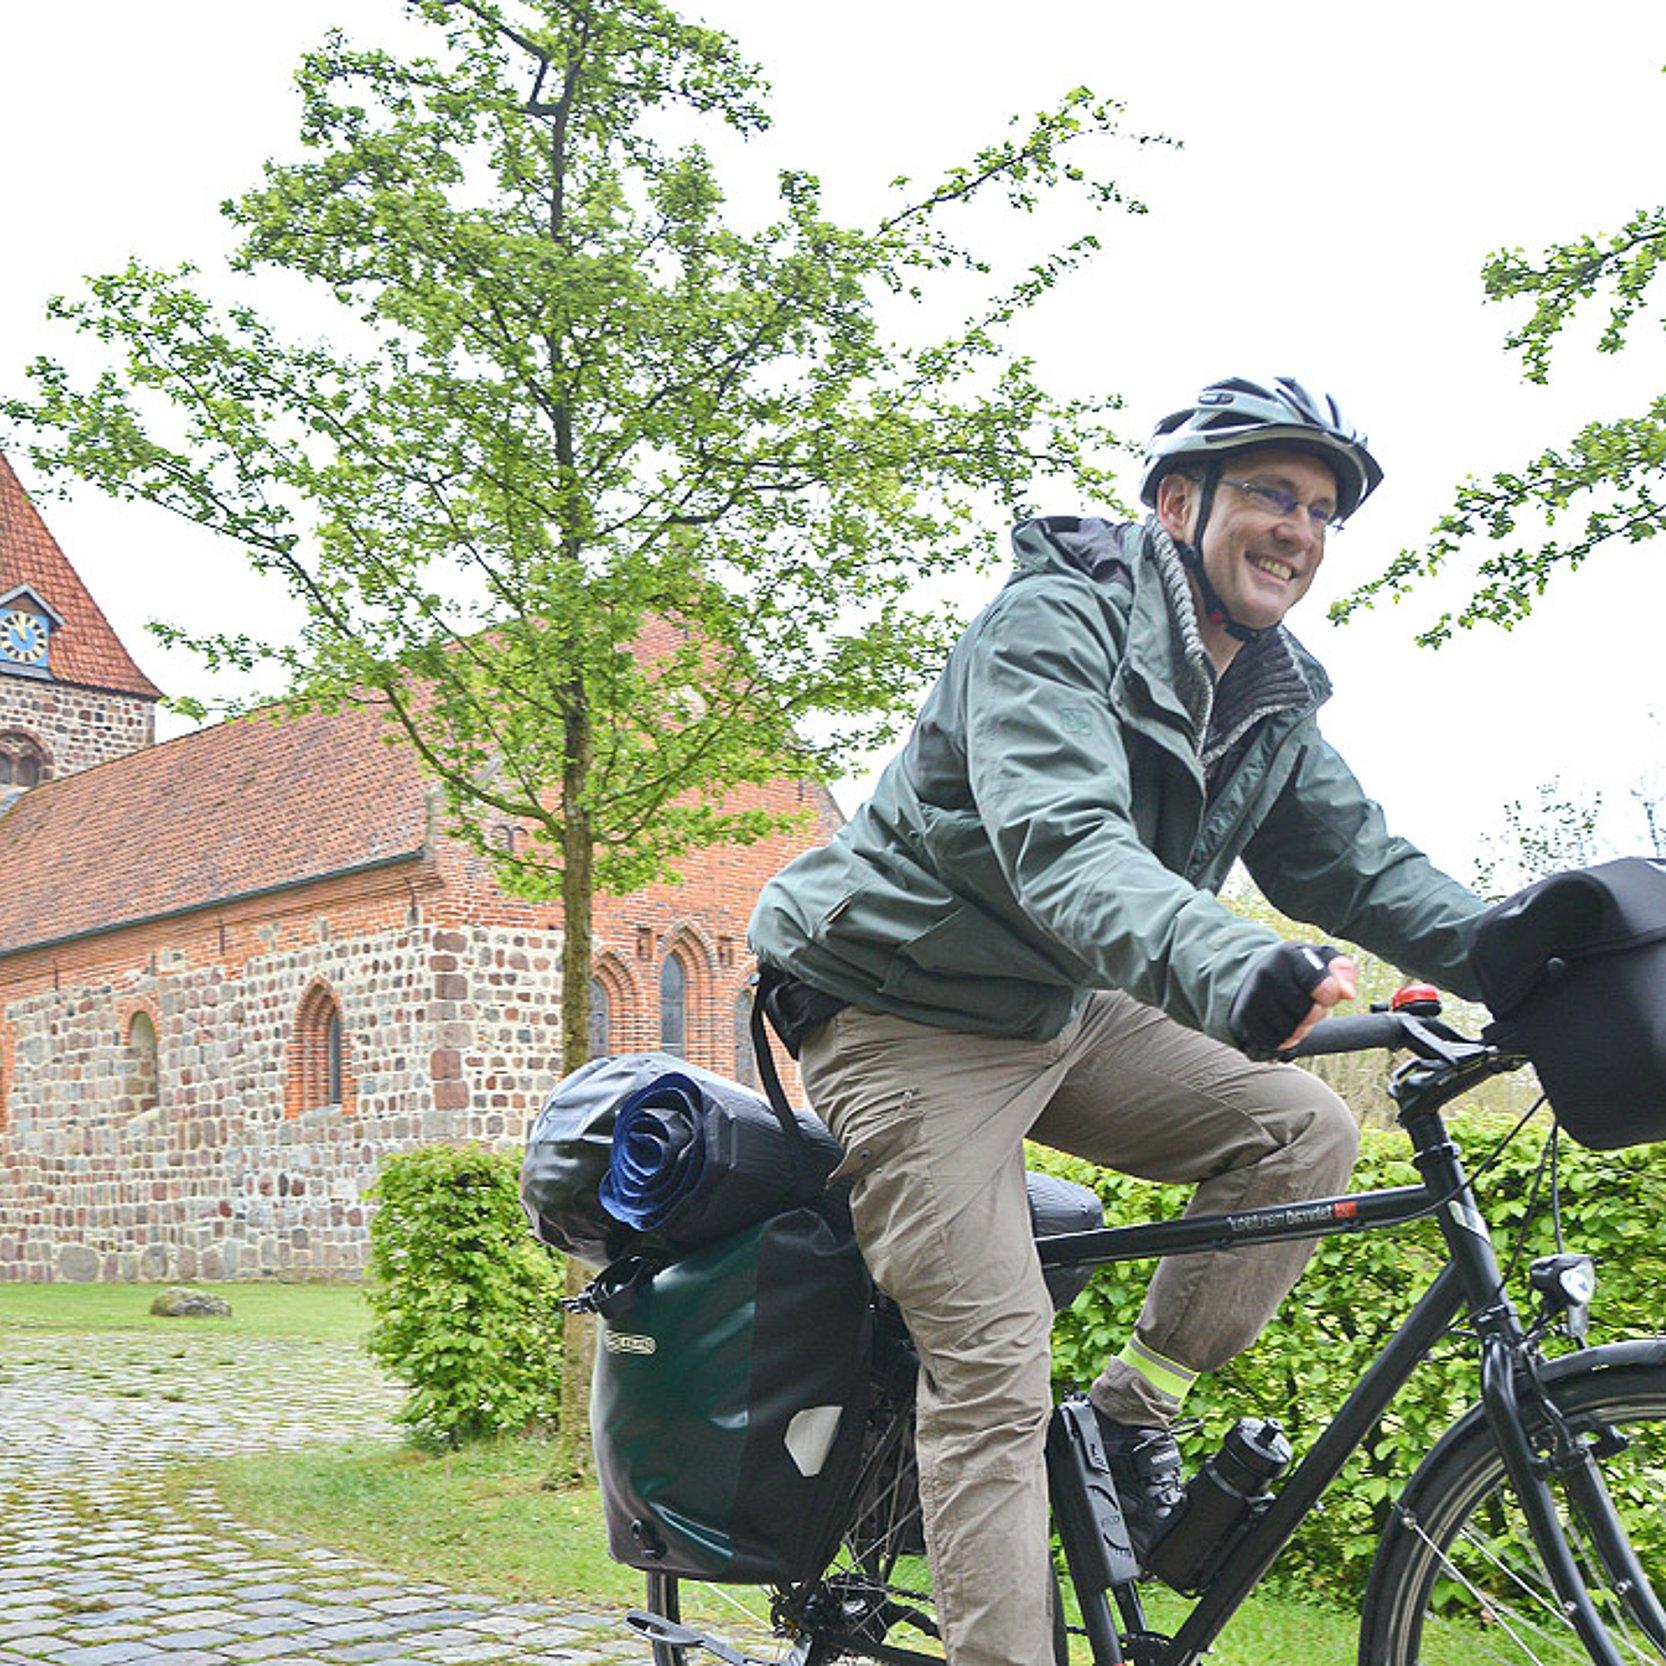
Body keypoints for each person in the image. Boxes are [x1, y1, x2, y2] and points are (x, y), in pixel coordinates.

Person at [747, 375, 1486, 1666]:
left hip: (1056, 1001)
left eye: (1321, 512)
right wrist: (1231, 961)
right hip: (898, 1011)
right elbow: (1063, 840)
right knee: (991, 1367)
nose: (1298, 530)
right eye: (1271, 494)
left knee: (1301, 1132)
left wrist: (1539, 950)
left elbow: (1362, 867)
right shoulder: (1052, 622)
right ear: (1177, 503)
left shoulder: (1265, 694)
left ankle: (1135, 1413)